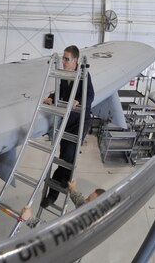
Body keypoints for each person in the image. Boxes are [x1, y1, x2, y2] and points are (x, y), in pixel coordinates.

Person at [40, 45, 95, 208]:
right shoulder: (65, 75)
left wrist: (79, 101)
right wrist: (51, 97)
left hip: (80, 121)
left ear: (75, 61)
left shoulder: (84, 74)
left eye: (66, 59)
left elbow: (90, 95)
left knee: (68, 156)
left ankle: (53, 195)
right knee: (64, 155)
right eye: (63, 58)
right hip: (67, 121)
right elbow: (60, 92)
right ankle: (63, 181)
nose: (63, 62)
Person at [21, 180, 105, 228]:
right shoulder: (90, 211)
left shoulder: (78, 228)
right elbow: (81, 202)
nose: (85, 200)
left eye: (88, 199)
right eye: (88, 197)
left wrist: (29, 219)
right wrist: (72, 189)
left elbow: (50, 234)